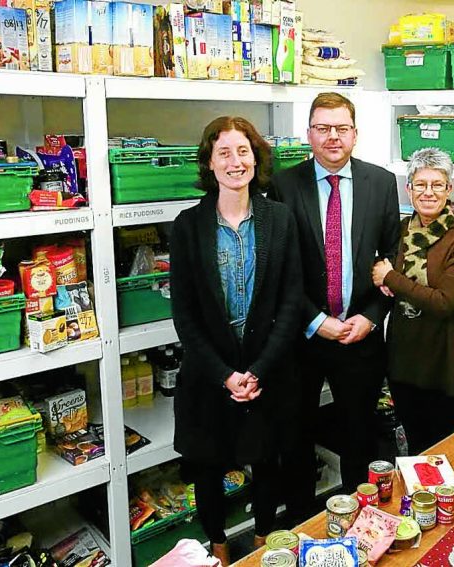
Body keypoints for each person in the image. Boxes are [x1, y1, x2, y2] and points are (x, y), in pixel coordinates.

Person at [170, 116, 302, 564]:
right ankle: (219, 549)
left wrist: (259, 369)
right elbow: (184, 316)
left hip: (266, 369)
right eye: (223, 152)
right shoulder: (188, 226)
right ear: (209, 162)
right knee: (207, 468)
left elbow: (290, 301)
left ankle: (264, 541)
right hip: (210, 374)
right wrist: (225, 374)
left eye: (242, 150)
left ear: (256, 157)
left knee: (267, 462)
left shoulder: (279, 219)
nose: (234, 161)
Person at [269, 92, 400, 521]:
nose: (332, 137)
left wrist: (372, 318)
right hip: (301, 337)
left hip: (360, 332)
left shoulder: (380, 182)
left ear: (355, 134)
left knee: (358, 434)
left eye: (341, 128)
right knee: (295, 433)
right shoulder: (283, 185)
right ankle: (304, 520)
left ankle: (359, 520)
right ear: (308, 133)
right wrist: (313, 321)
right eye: (322, 128)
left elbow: (391, 260)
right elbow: (278, 269)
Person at [372, 147, 454, 455]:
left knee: (443, 455)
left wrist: (391, 278)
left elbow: (445, 301)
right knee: (413, 451)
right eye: (420, 184)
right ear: (408, 189)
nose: (428, 192)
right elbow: (383, 269)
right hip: (405, 363)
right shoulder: (403, 230)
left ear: (449, 189)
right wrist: (385, 281)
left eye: (437, 184)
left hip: (444, 367)